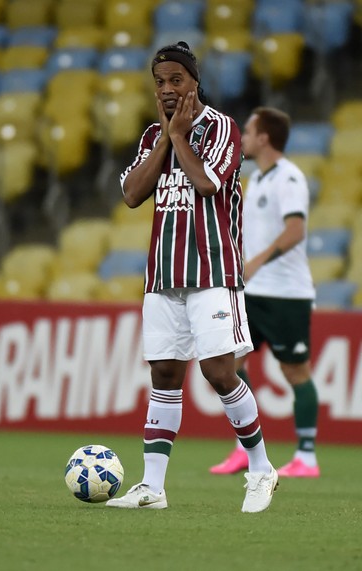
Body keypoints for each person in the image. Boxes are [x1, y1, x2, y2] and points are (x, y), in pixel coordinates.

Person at [106, 42, 278, 513]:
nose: (166, 89)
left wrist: (179, 136)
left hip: (212, 272)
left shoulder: (223, 128)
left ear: (194, 83)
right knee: (164, 373)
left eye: (175, 80)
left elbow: (206, 184)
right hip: (163, 273)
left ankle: (261, 469)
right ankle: (152, 487)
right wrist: (165, 137)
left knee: (219, 371)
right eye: (159, 81)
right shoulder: (149, 137)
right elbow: (132, 194)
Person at [209, 107, 320, 478]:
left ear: (264, 138)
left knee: (295, 372)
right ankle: (245, 446)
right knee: (231, 364)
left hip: (286, 295)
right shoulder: (255, 179)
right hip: (251, 293)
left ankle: (306, 456)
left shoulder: (289, 178)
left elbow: (295, 232)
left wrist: (255, 262)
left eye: (248, 130)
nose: (242, 136)